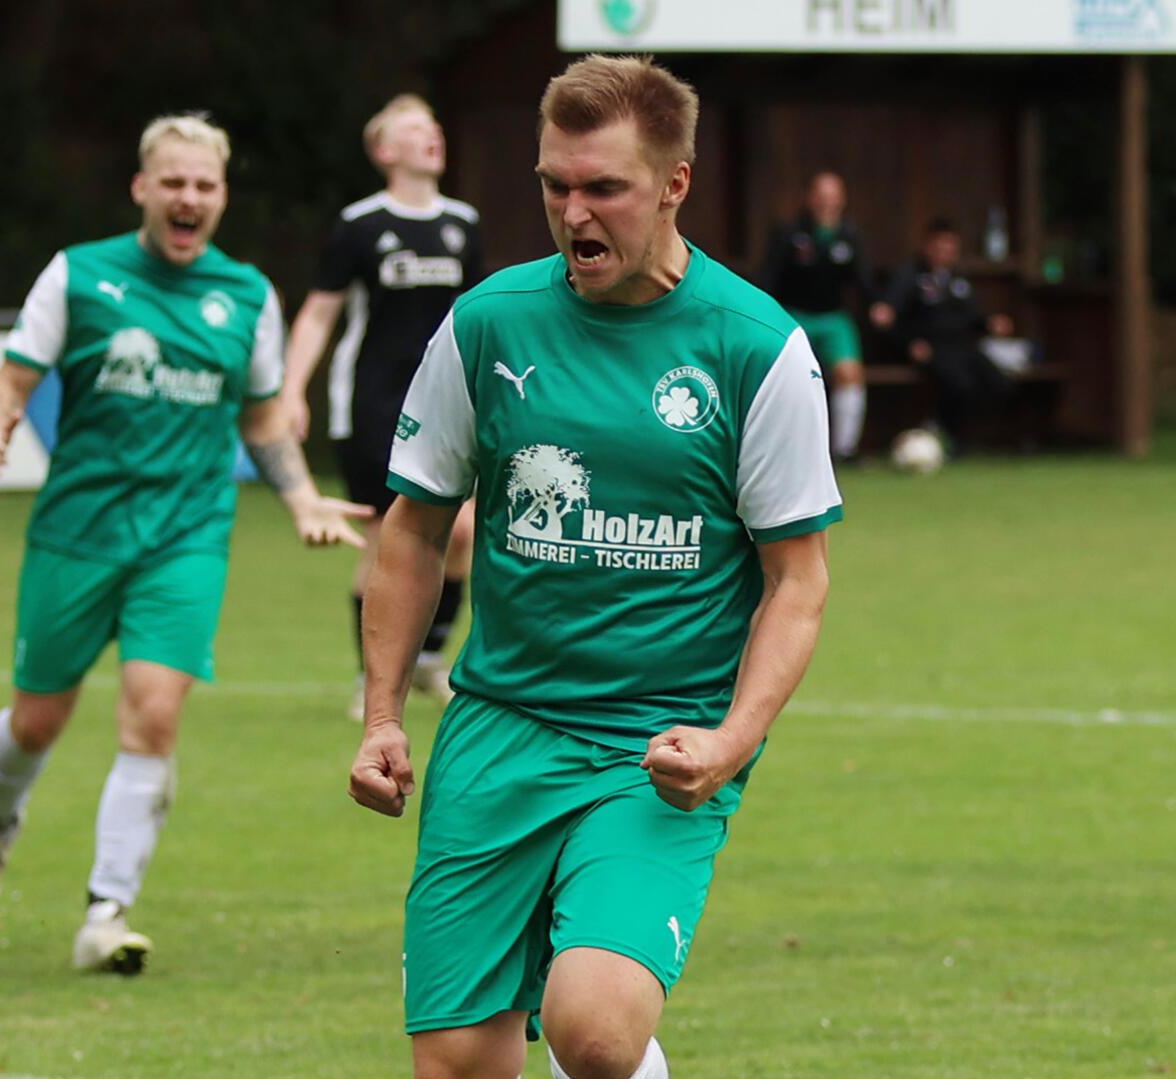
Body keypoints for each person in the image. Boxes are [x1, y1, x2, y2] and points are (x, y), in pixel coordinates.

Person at [348, 55, 841, 1079]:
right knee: (455, 1059)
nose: (573, 212)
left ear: (674, 183)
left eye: (603, 187)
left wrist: (730, 740)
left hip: (653, 743)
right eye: (553, 185)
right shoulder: (488, 323)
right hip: (497, 728)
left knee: (598, 1028)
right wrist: (385, 716)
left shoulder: (755, 346)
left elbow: (798, 580)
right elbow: (409, 530)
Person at [0, 112, 370, 973]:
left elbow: (259, 418)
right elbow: (11, 383)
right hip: (77, 532)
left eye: (204, 185)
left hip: (186, 535)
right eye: (173, 182)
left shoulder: (248, 294)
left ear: (221, 198)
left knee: (154, 708)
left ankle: (107, 912)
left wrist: (297, 498)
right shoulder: (79, 274)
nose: (188, 198)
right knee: (35, 722)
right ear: (143, 188)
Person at [281, 93, 484, 719]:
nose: (433, 137)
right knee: (385, 538)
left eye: (435, 126)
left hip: (450, 399)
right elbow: (320, 313)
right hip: (373, 402)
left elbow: (479, 313)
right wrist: (292, 390)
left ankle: (426, 662)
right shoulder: (361, 224)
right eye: (416, 129)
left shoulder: (463, 223)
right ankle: (375, 682)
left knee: (462, 534)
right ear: (385, 150)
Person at [759, 170, 888, 462]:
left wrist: (879, 304)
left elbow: (863, 278)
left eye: (833, 197)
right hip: (794, 317)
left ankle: (844, 450)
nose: (826, 203)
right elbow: (769, 275)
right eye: (821, 196)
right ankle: (786, 449)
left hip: (833, 318)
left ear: (842, 200)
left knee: (849, 373)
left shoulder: (849, 235)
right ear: (810, 198)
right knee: (790, 377)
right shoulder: (790, 233)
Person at [873, 217, 1016, 454]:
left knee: (1001, 383)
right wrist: (909, 343)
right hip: (931, 348)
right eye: (939, 246)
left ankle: (979, 438)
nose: (944, 253)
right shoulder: (910, 275)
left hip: (963, 346)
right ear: (927, 246)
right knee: (961, 385)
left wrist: (990, 323)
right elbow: (889, 318)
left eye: (950, 248)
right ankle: (949, 436)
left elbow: (970, 316)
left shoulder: (958, 279)